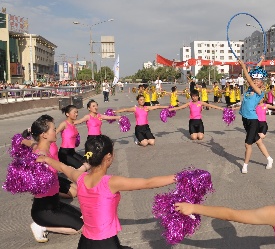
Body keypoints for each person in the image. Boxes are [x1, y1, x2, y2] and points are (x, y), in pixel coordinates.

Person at [37, 135, 176, 249]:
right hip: (106, 242)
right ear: (109, 157)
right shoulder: (110, 182)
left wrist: (45, 159)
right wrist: (178, 177)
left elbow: (62, 166)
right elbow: (148, 182)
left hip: (85, 242)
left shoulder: (79, 177)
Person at [25, 115, 83, 243]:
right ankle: (40, 226)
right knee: (80, 228)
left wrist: (27, 134)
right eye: (53, 129)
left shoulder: (42, 148)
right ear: (44, 135)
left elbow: (25, 141)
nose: (55, 131)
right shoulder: (38, 157)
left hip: (56, 203)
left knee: (84, 217)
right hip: (44, 209)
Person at [237, 56, 274, 174]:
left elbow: (248, 79)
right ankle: (269, 159)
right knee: (258, 141)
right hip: (245, 118)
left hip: (253, 120)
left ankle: (245, 165)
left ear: (262, 83)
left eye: (258, 81)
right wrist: (261, 60)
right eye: (255, 80)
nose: (255, 81)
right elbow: (254, 72)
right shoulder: (249, 90)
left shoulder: (259, 92)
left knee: (247, 144)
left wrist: (243, 66)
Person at [56, 105, 90, 172]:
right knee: (82, 168)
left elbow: (81, 120)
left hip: (72, 152)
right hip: (64, 153)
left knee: (87, 165)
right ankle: (74, 176)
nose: (76, 114)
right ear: (67, 114)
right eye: (74, 112)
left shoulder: (73, 123)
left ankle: (71, 171)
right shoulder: (64, 124)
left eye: (77, 112)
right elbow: (54, 133)